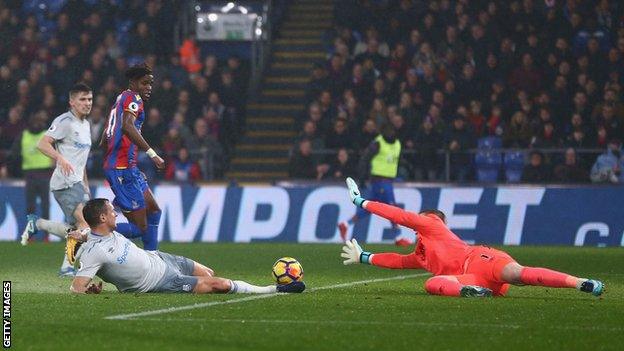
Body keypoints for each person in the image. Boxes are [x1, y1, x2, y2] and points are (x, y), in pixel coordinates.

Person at [340, 177, 604, 298]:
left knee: (519, 274)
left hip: (480, 259)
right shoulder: (422, 253)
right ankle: (471, 291)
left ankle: (580, 283)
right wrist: (365, 257)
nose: (418, 221)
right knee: (433, 283)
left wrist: (361, 202)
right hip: (472, 279)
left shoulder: (432, 224)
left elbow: (400, 216)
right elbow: (398, 261)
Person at [70, 198, 305, 294]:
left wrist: (79, 234)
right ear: (102, 218)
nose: (115, 213)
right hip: (160, 281)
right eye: (112, 211)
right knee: (220, 285)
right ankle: (274, 289)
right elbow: (76, 288)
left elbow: (87, 233)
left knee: (208, 273)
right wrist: (89, 293)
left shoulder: (97, 233)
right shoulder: (93, 252)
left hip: (160, 258)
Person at [20, 83, 94, 276]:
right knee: (86, 225)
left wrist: (86, 185)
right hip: (64, 183)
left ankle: (37, 224)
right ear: (72, 102)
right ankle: (67, 267)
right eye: (83, 99)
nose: (87, 103)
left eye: (90, 99)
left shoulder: (86, 125)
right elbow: (42, 144)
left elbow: (81, 160)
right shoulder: (64, 121)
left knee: (77, 228)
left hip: (77, 183)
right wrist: (60, 158)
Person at [101, 63, 165, 252]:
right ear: (133, 82)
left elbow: (106, 135)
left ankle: (153, 258)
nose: (149, 88)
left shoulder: (121, 98)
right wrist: (152, 154)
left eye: (151, 84)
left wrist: (116, 157)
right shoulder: (133, 99)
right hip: (122, 170)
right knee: (139, 228)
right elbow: (127, 126)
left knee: (154, 211)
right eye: (145, 83)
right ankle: (88, 233)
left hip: (128, 168)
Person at [338, 124, 409, 246]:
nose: (391, 134)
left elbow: (396, 159)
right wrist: (362, 178)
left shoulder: (397, 144)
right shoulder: (377, 143)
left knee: (369, 208)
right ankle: (398, 237)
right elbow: (365, 159)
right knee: (392, 208)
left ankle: (346, 224)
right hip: (380, 180)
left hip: (387, 180)